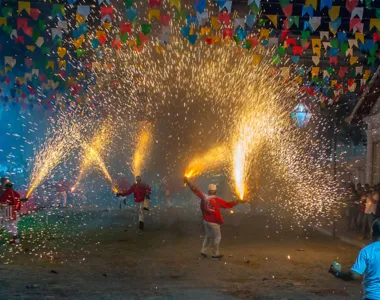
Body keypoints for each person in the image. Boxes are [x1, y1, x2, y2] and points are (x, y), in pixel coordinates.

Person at [184, 177, 246, 260]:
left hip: (205, 221)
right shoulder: (217, 200)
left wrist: (188, 182)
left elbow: (195, 189)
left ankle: (203, 251)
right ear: (215, 191)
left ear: (208, 191)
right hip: (214, 223)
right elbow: (228, 205)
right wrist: (237, 201)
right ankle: (215, 254)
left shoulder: (204, 197)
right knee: (217, 237)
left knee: (208, 236)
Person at [329, 218, 380, 299]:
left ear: (371, 232)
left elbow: (353, 276)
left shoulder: (367, 251)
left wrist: (337, 273)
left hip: (372, 297)